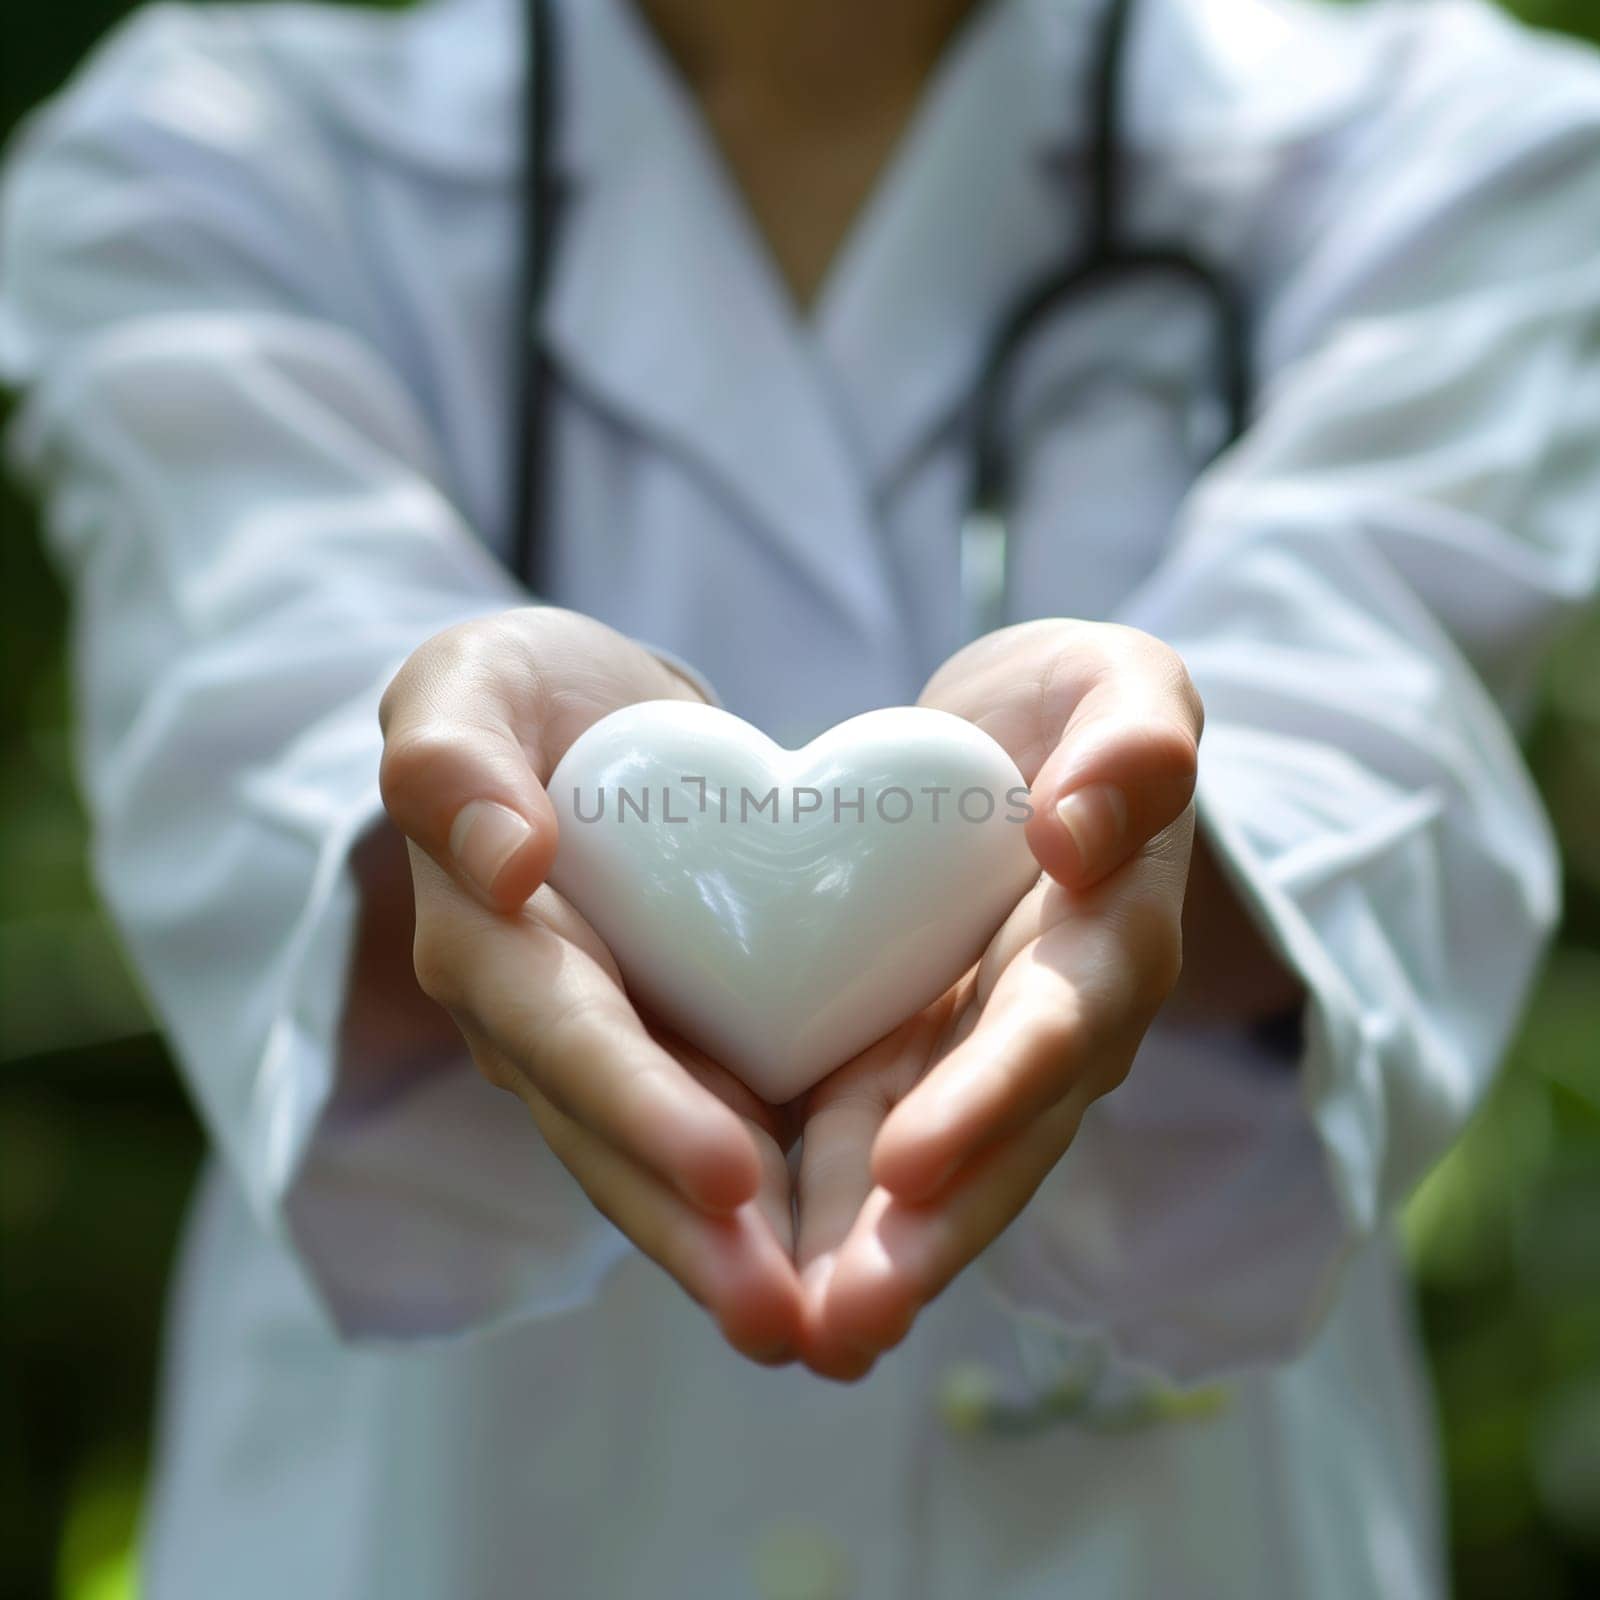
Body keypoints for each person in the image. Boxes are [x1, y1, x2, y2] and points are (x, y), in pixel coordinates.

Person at [3, 0, 1599, 1593]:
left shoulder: (1459, 144)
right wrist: (462, 840)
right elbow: (257, 734)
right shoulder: (204, 156)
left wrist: (1145, 856)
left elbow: (1378, 753)